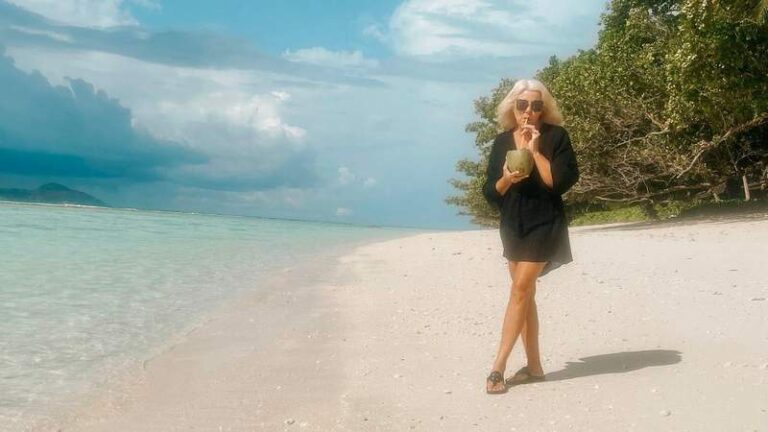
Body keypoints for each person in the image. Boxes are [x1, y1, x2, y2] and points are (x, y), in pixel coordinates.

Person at [482, 78, 580, 394]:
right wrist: (507, 178)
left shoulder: (556, 137)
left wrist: (534, 150)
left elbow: (558, 183)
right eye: (523, 104)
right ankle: (535, 367)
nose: (529, 111)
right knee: (525, 295)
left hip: (545, 221)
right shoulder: (501, 142)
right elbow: (491, 192)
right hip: (513, 223)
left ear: (544, 108)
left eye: (536, 105)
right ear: (513, 106)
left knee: (520, 289)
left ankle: (498, 367)